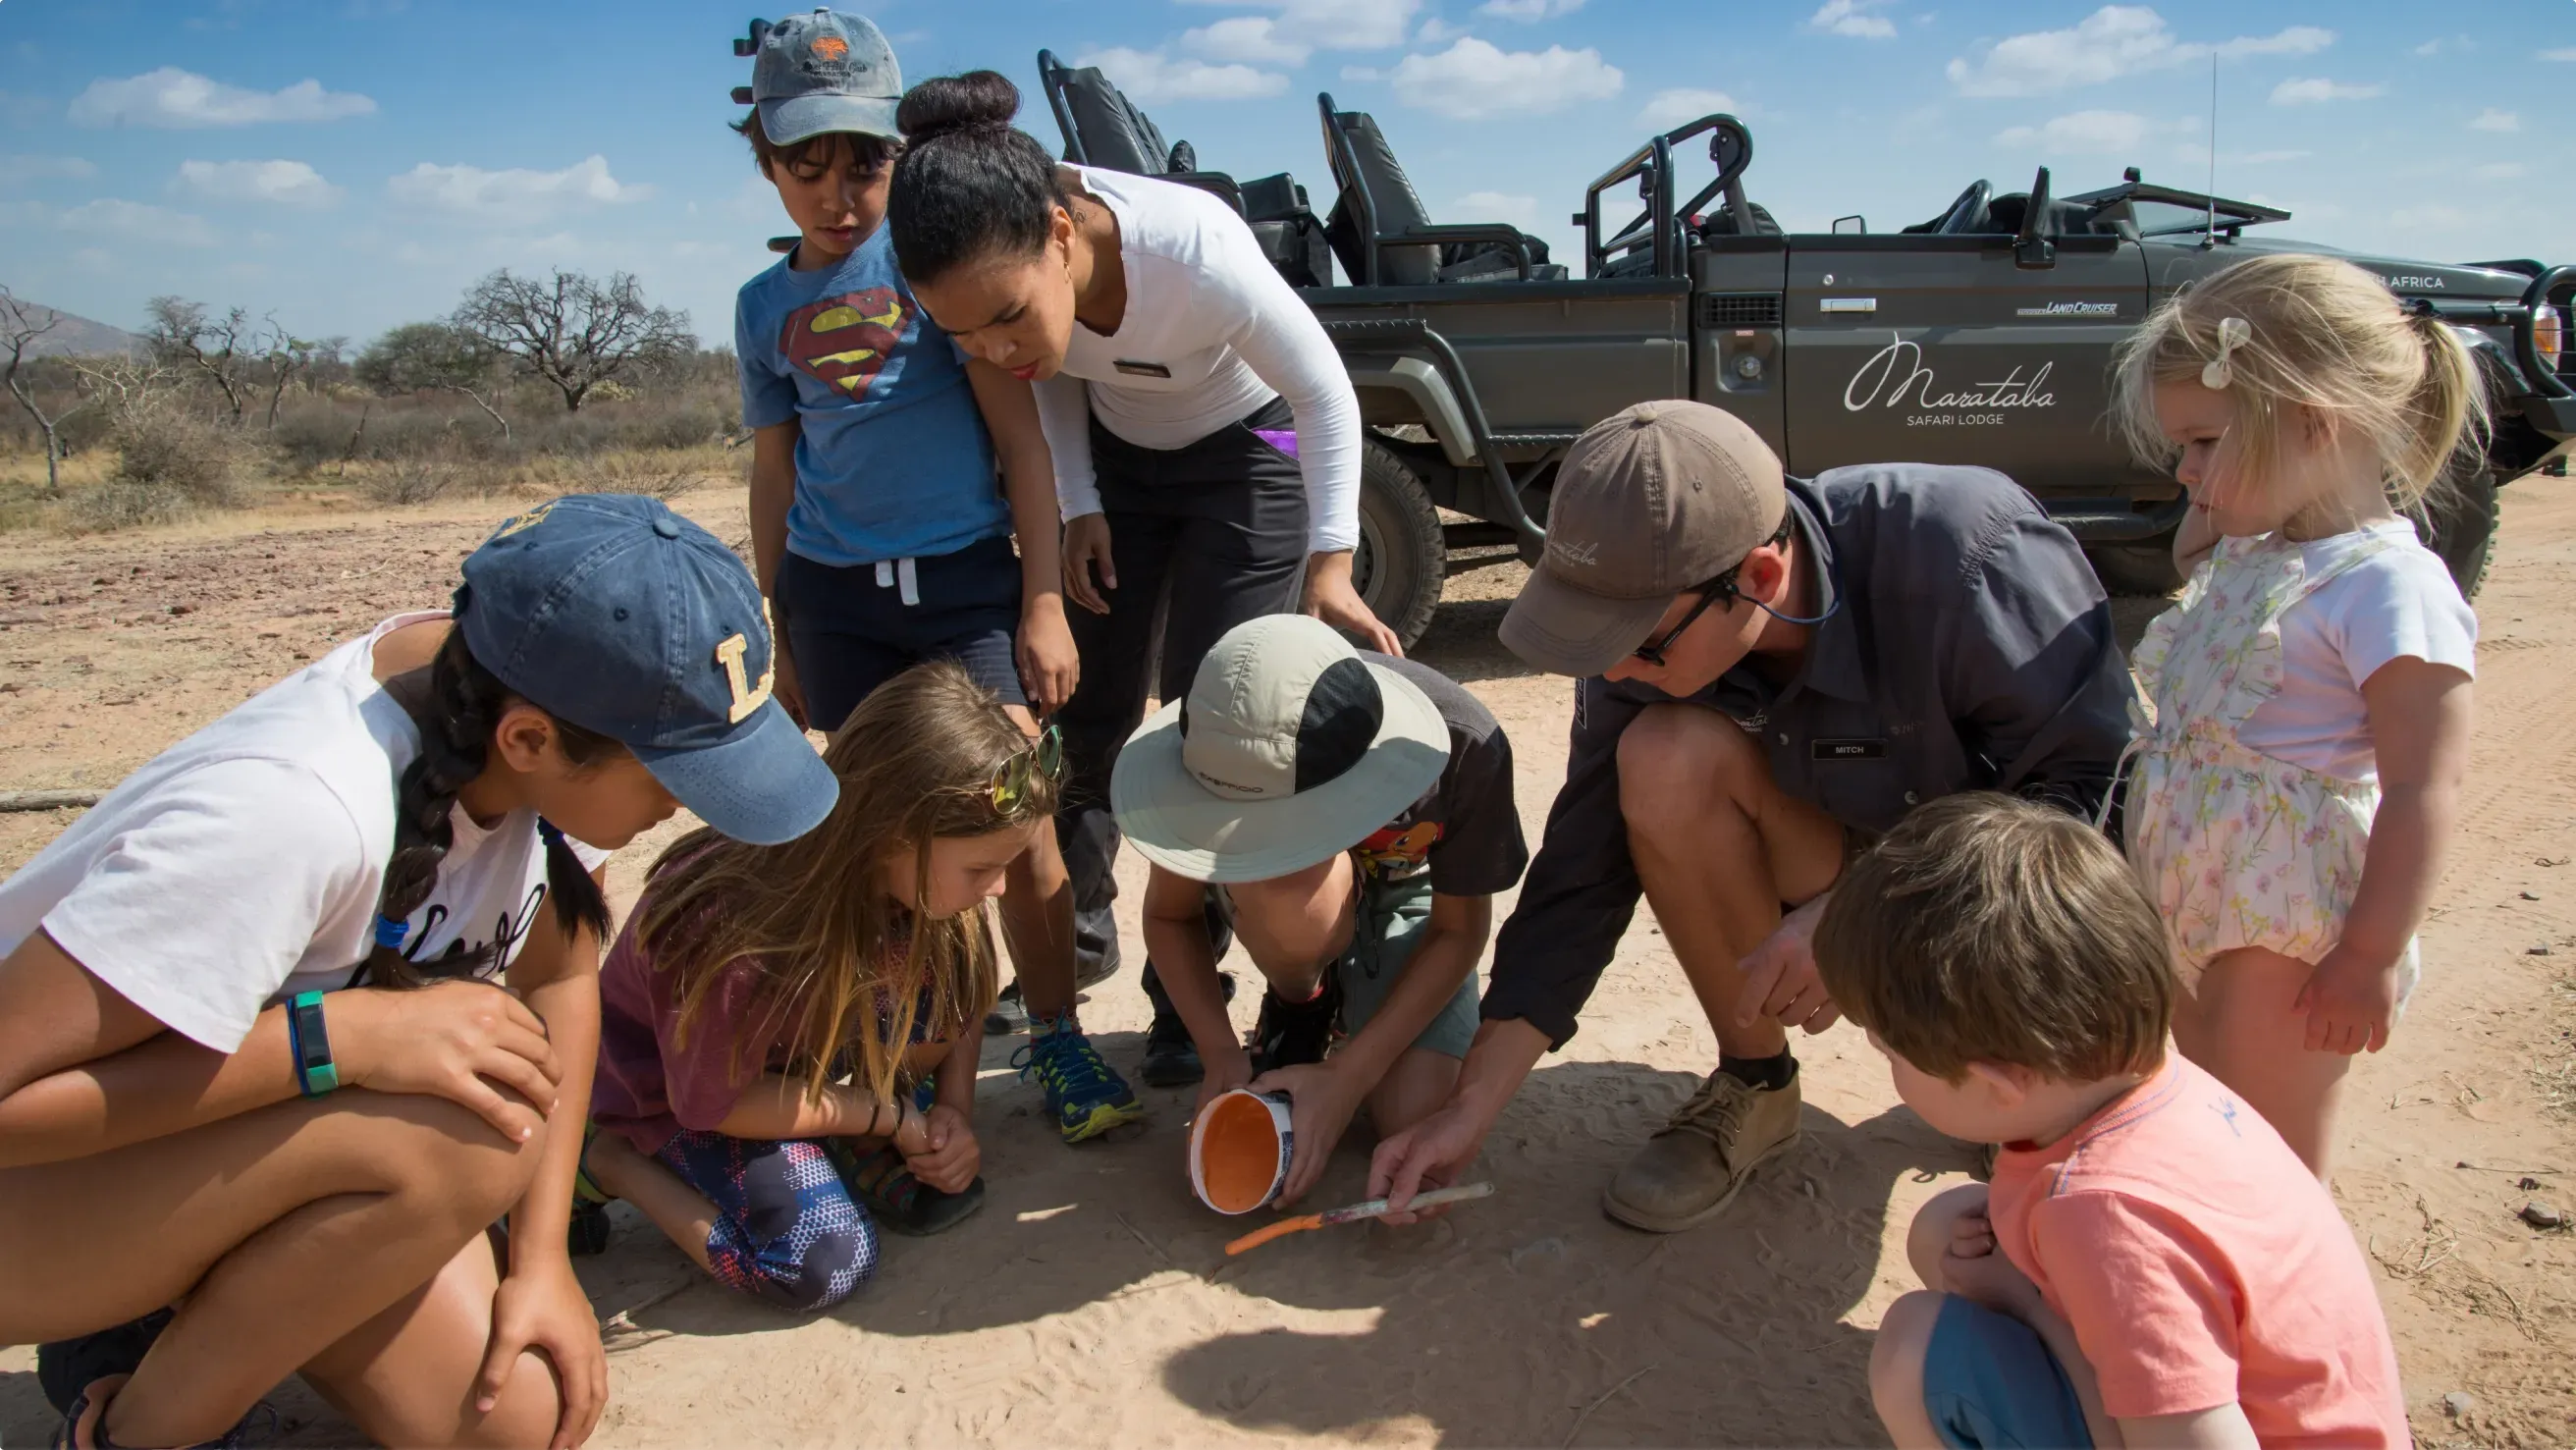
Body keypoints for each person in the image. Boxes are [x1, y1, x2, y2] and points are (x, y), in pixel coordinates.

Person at [0, 495, 835, 1450]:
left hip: (222, 1155)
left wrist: (542, 1260)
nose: (684, 807)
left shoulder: (521, 708)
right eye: (671, 777)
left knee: (520, 1418)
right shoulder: (295, 813)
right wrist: (338, 1037)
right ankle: (140, 1424)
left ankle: (185, 1316)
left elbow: (561, 977)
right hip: (39, 1199)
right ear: (529, 741)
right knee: (467, 1138)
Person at [1368, 401, 2133, 1233]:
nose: (1613, 669)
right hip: (1831, 855)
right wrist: (1472, 1103)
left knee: (2048, 1135)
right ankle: (1757, 1082)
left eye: (1641, 642)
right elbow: (1581, 870)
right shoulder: (1655, 629)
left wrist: (1873, 903)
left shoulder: (1967, 556)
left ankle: (2045, 1097)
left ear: (1761, 577)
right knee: (1662, 758)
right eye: (1596, 640)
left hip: (1980, 874)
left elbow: (2091, 792)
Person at [884, 70, 1401, 1090]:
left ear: (1060, 235)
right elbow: (1048, 375)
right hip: (1121, 465)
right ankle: (1074, 960)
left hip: (1249, 451)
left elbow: (1323, 395)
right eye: (963, 336)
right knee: (1088, 713)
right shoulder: (1005, 296)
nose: (992, 348)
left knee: (1211, 722)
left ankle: (1183, 995)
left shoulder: (1192, 251)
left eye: (1004, 315)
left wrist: (1332, 563)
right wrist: (1080, 504)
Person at [732, 13, 1139, 1146]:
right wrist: (781, 630)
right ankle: (899, 1057)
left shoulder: (931, 268)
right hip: (836, 603)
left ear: (899, 158)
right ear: (766, 164)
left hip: (964, 591)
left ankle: (1054, 1034)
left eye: (864, 164)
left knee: (1019, 817)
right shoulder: (761, 308)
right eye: (806, 167)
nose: (837, 195)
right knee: (883, 842)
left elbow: (1023, 446)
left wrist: (1042, 600)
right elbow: (774, 473)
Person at [1821, 792, 2407, 1448]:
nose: (1887, 1066)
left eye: (1890, 1053)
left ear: (1998, 1084)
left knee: (1912, 1351)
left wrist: (2022, 1304)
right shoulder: (2161, 1087)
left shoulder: (2103, 1216)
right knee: (1949, 1224)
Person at [2109, 252, 2481, 1180]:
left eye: (2205, 442)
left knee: (2269, 1161)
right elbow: (2201, 568)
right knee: (2199, 1126)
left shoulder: (2388, 586)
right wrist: (2224, 500)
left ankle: (2286, 1281)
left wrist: (2369, 954)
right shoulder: (2256, 551)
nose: (2186, 470)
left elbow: (2422, 787)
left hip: (2287, 920)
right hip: (2186, 893)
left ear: (2314, 422)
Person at [581, 662, 1052, 1310]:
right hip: (676, 1094)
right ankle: (614, 1161)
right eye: (981, 869)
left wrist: (952, 1112)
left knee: (939, 976)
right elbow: (712, 1103)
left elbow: (963, 999)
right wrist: (888, 1115)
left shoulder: (918, 885)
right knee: (820, 1260)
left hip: (791, 1061)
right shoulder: (731, 927)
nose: (997, 888)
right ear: (892, 835)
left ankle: (839, 1131)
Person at [1109, 616, 1526, 1205]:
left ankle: (1351, 1018)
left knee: (1414, 1115)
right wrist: (1220, 1051)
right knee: (1287, 887)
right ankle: (1303, 1003)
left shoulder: (1461, 744)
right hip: (1294, 901)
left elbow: (1459, 932)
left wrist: (1350, 1077)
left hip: (1406, 892)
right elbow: (1169, 915)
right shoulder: (1217, 747)